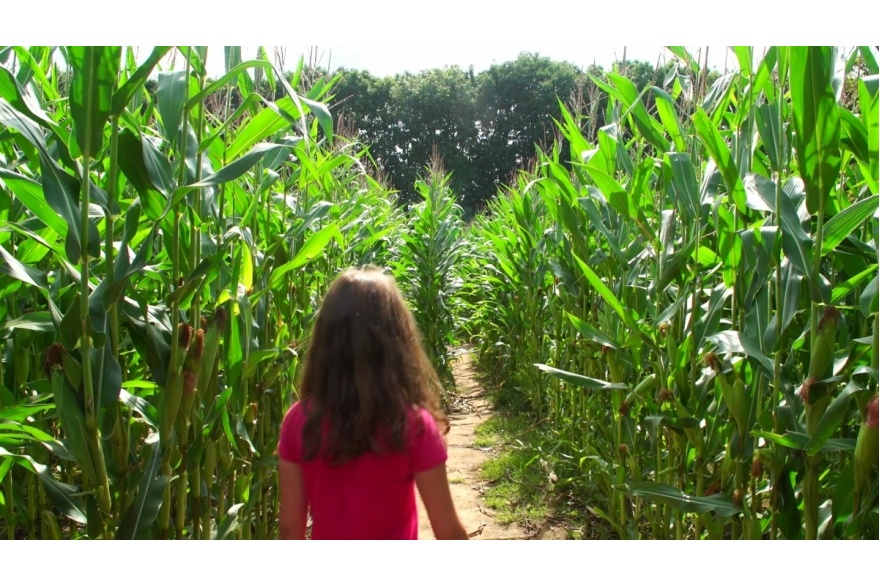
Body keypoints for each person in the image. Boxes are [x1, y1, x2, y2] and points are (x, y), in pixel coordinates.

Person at [277, 267, 468, 540]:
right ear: (397, 340)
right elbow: (447, 530)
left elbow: (289, 527)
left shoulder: (299, 421)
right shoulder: (413, 424)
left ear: (325, 339)